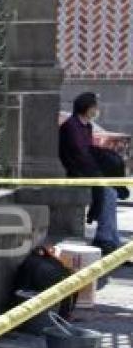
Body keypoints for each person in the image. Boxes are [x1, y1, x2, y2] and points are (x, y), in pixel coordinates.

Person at [59, 92, 122, 255]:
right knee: (107, 193)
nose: (97, 110)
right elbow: (79, 155)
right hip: (76, 172)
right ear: (86, 108)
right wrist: (97, 172)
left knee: (112, 192)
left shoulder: (87, 126)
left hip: (88, 170)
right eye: (94, 107)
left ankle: (113, 239)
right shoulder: (72, 126)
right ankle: (103, 238)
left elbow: (88, 153)